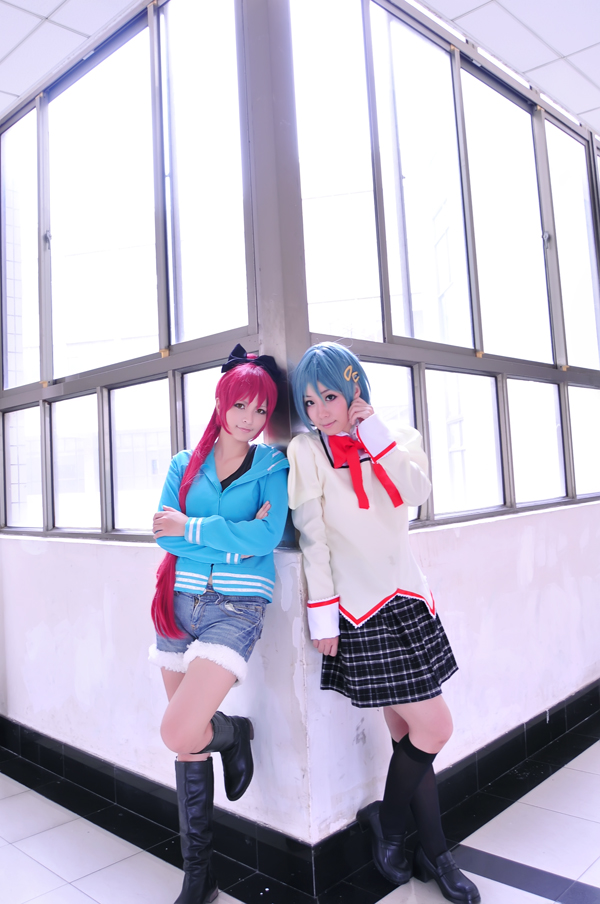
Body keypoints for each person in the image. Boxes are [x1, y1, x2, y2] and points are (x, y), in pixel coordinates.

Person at [287, 342, 480, 904]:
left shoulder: (398, 438)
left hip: (407, 600)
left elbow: (415, 493)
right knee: (433, 729)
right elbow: (313, 539)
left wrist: (374, 435)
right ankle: (403, 834)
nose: (320, 411)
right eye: (309, 402)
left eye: (330, 397)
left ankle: (419, 841)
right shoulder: (307, 451)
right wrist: (323, 616)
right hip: (357, 611)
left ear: (354, 390)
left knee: (408, 735)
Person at [149, 344, 289, 904]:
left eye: (262, 410)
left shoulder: (272, 466)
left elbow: (268, 536)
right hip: (177, 606)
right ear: (221, 402)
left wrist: (194, 528)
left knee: (179, 730)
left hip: (236, 610)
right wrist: (232, 541)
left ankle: (232, 732)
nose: (250, 420)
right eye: (241, 406)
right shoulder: (184, 464)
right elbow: (164, 536)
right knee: (186, 745)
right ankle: (199, 876)